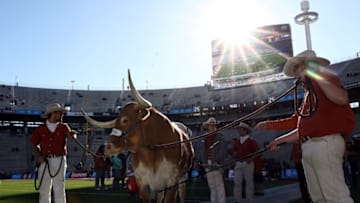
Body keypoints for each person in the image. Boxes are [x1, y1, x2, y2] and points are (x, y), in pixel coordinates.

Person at [266, 50, 355, 203]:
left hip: (324, 143)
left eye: (298, 68)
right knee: (319, 198)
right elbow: (303, 128)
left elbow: (341, 98)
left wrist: (314, 75)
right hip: (311, 146)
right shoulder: (309, 94)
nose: (296, 74)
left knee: (335, 197)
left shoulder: (326, 79)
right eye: (295, 70)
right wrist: (279, 140)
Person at [256, 115, 312, 203]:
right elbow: (295, 122)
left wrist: (277, 138)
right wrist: (270, 125)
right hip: (302, 157)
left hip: (316, 152)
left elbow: (302, 127)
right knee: (306, 184)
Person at [30, 103, 77, 203]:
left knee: (59, 188)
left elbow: (71, 136)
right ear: (51, 114)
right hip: (45, 160)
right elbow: (34, 143)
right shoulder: (40, 128)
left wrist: (73, 135)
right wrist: (39, 156)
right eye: (57, 112)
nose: (60, 115)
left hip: (59, 160)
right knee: (44, 189)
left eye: (60, 113)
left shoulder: (64, 127)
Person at [228, 122, 259, 203]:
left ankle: (250, 200)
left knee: (249, 183)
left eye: (240, 129)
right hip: (238, 163)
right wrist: (233, 154)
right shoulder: (237, 141)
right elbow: (232, 151)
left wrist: (251, 158)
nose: (239, 131)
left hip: (247, 163)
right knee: (237, 182)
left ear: (245, 130)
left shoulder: (251, 141)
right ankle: (237, 200)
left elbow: (257, 152)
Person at [200, 117, 226, 203]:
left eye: (213, 125)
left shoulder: (220, 137)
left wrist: (217, 161)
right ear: (208, 126)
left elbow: (222, 150)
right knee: (212, 186)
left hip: (216, 163)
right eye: (210, 125)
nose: (211, 126)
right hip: (208, 163)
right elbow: (202, 151)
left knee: (219, 185)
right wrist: (204, 162)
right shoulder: (205, 138)